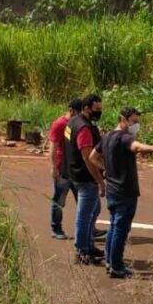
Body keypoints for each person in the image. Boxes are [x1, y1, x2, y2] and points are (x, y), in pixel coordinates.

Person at [89, 107, 153, 278]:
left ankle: (110, 262)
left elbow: (93, 157)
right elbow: (136, 147)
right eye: (134, 122)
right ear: (123, 119)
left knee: (114, 226)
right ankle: (116, 265)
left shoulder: (107, 137)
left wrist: (108, 170)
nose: (136, 126)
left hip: (112, 190)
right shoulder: (124, 138)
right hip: (125, 191)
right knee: (121, 229)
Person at [65, 94, 106, 264]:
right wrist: (100, 181)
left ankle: (88, 246)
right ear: (87, 108)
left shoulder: (72, 122)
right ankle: (82, 250)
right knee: (85, 216)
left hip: (74, 174)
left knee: (93, 211)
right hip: (85, 178)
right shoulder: (84, 128)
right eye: (96, 109)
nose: (99, 112)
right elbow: (88, 158)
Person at [48, 99, 80, 240]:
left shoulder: (76, 124)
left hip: (75, 168)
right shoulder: (60, 124)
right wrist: (54, 168)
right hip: (62, 168)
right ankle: (56, 228)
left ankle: (89, 229)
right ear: (71, 110)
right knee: (59, 200)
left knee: (83, 200)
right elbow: (53, 148)